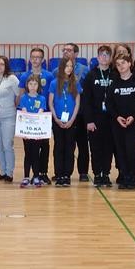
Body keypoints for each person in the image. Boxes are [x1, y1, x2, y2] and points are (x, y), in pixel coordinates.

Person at [108, 53, 135, 190]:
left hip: (133, 123)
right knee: (120, 149)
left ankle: (133, 177)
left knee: (131, 149)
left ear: (129, 63)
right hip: (118, 123)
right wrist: (117, 117)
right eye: (118, 64)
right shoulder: (114, 84)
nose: (121, 66)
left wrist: (134, 116)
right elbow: (109, 103)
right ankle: (124, 176)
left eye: (123, 63)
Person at [82, 45, 115, 187]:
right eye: (102, 54)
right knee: (95, 148)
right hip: (95, 118)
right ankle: (97, 174)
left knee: (108, 148)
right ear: (97, 57)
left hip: (111, 119)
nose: (104, 57)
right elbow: (86, 100)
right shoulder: (91, 75)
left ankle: (105, 174)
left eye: (107, 54)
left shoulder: (115, 74)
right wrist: (89, 120)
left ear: (111, 58)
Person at [59, 43, 91, 182]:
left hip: (81, 111)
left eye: (69, 50)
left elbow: (88, 90)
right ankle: (63, 172)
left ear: (76, 54)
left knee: (82, 143)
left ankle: (83, 172)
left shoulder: (84, 69)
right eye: (64, 50)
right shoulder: (57, 70)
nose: (66, 52)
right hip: (65, 111)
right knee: (65, 143)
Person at [49, 57, 81, 187]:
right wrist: (56, 118)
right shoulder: (54, 83)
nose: (69, 68)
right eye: (67, 66)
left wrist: (72, 119)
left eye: (71, 66)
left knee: (69, 147)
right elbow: (51, 102)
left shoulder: (75, 82)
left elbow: (77, 103)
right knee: (59, 147)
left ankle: (67, 175)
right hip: (58, 120)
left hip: (71, 121)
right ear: (61, 67)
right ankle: (59, 174)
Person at [18, 74, 50, 188]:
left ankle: (36, 176)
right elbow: (24, 112)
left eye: (35, 84)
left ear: (38, 85)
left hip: (37, 133)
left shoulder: (42, 99)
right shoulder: (23, 98)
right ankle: (26, 177)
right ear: (27, 85)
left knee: (36, 154)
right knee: (28, 153)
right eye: (30, 84)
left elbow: (40, 113)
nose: (32, 86)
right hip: (27, 132)